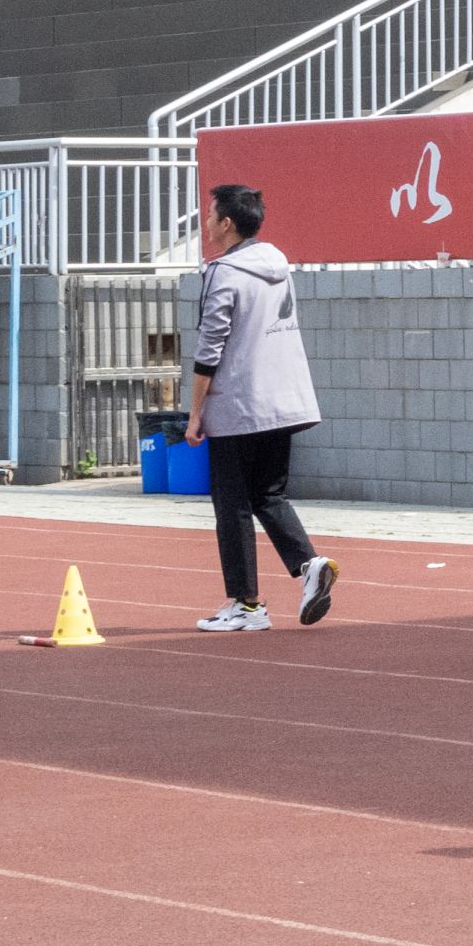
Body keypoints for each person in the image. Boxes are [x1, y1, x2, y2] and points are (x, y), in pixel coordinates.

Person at [186, 183, 340, 632]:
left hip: (239, 404)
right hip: (284, 401)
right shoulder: (278, 265)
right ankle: (308, 563)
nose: (206, 223)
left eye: (210, 215)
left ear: (226, 223)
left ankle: (247, 605)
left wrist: (195, 412)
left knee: (231, 504)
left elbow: (210, 346)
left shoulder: (223, 272)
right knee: (268, 495)